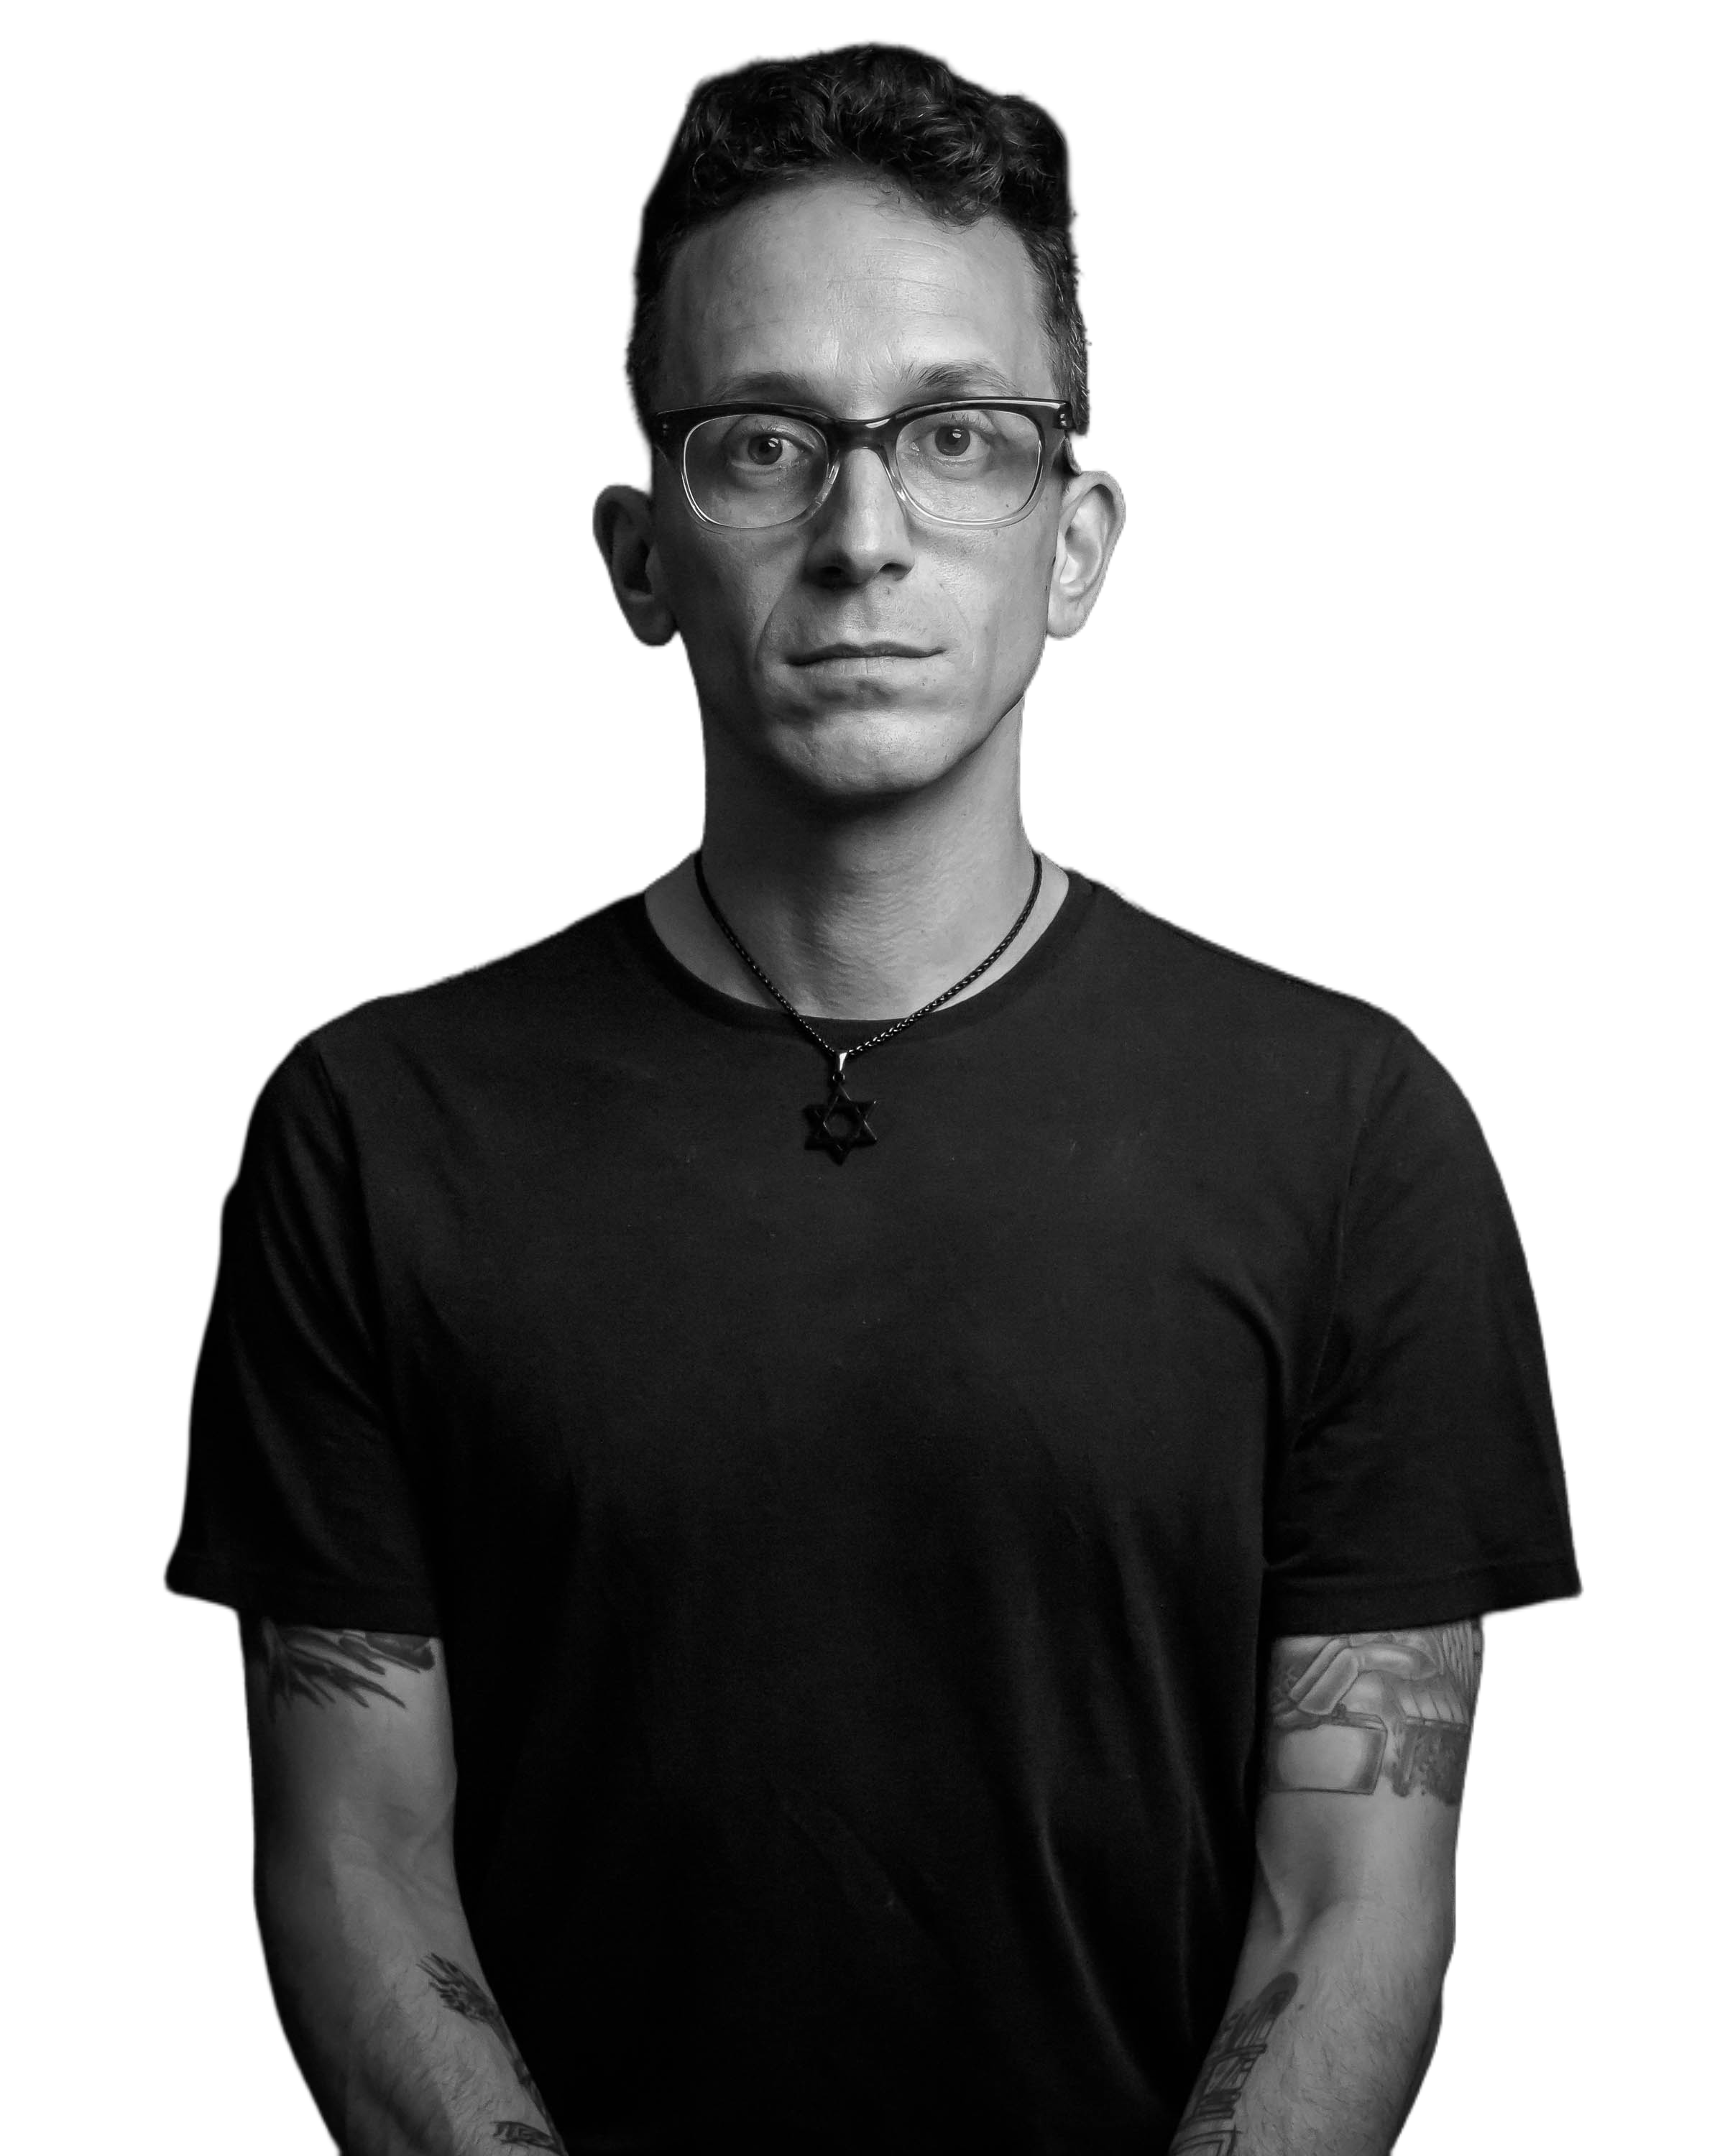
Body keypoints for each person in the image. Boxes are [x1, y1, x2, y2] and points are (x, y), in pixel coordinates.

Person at [164, 38, 1583, 2156]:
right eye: (765, 444)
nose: (864, 533)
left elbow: (1354, 1897)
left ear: (1078, 543)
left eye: (957, 436)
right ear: (643, 555)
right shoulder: (375, 1131)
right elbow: (351, 1866)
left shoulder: (1359, 1131)